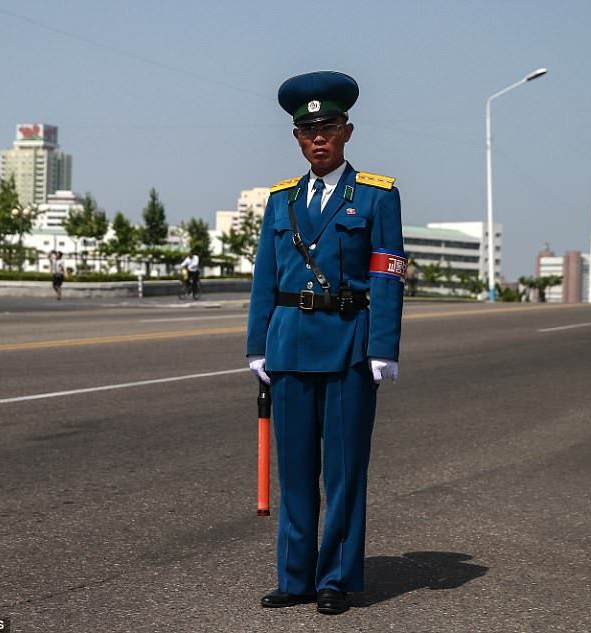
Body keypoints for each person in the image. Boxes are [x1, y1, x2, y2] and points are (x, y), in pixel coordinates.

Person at [246, 71, 405, 616]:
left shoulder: (377, 196)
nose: (319, 137)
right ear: (296, 138)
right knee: (294, 472)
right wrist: (256, 346)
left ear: (347, 131)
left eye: (329, 126)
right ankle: (295, 577)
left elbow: (386, 273)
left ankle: (334, 577)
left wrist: (383, 346)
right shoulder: (281, 199)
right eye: (308, 129)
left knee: (342, 472)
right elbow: (265, 276)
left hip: (348, 348)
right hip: (288, 346)